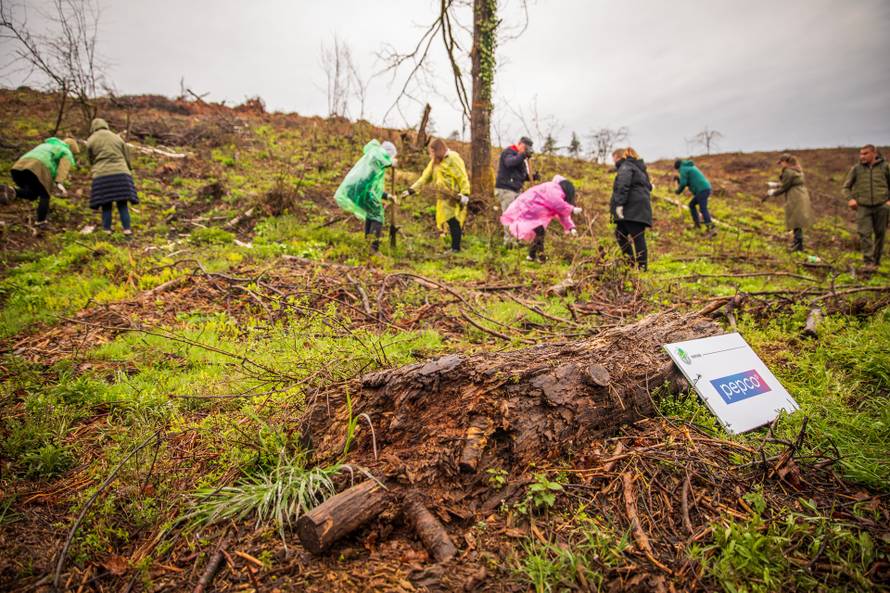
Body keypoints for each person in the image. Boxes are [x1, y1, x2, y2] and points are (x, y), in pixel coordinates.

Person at [401, 138, 471, 253]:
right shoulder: (435, 162)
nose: (431, 154)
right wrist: (411, 190)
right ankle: (454, 246)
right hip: (442, 196)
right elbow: (425, 178)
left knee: (453, 220)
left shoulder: (453, 158)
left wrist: (465, 193)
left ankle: (456, 248)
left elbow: (462, 176)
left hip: (453, 196)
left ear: (438, 150)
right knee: (449, 219)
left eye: (432, 151)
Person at [334, 139, 397, 253]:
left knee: (372, 213)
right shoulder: (376, 156)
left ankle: (368, 245)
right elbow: (380, 159)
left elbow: (374, 189)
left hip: (356, 189)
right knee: (377, 215)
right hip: (360, 190)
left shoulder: (372, 158)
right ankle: (373, 249)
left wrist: (387, 196)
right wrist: (390, 162)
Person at [500, 175, 581, 262]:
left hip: (533, 212)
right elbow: (557, 203)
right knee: (540, 233)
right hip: (529, 210)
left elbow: (562, 213)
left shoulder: (559, 194)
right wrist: (572, 209)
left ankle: (533, 256)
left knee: (540, 233)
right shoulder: (553, 189)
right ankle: (538, 256)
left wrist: (571, 227)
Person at [6, 136, 78, 227]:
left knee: (31, 194)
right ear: (71, 148)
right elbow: (63, 168)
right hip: (38, 167)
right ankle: (41, 221)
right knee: (45, 195)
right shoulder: (65, 151)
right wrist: (59, 182)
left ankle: (11, 190)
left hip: (19, 166)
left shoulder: (47, 144)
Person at [86, 118, 139, 235]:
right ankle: (127, 230)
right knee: (122, 204)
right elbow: (126, 155)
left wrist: (94, 168)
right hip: (121, 174)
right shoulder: (116, 137)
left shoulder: (91, 139)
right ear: (106, 125)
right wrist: (129, 168)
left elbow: (90, 158)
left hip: (102, 175)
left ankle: (106, 230)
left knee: (106, 204)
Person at [842, 144, 890, 268]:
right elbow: (846, 187)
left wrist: (888, 202)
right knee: (864, 233)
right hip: (863, 207)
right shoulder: (856, 169)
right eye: (861, 153)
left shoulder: (885, 167)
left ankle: (877, 261)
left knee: (880, 233)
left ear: (874, 153)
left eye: (865, 153)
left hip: (882, 206)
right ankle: (868, 262)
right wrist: (850, 199)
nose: (862, 156)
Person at [609, 147, 652, 270]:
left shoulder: (626, 166)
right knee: (620, 234)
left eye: (614, 159)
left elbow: (623, 185)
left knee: (636, 236)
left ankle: (641, 268)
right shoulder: (639, 168)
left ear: (618, 157)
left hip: (631, 207)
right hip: (639, 207)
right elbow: (648, 186)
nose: (614, 162)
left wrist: (619, 205)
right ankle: (631, 264)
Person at [765, 154, 813, 252]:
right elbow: (789, 183)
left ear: (786, 162)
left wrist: (773, 193)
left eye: (781, 163)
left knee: (795, 219)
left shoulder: (788, 171)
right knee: (797, 219)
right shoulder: (797, 170)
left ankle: (797, 245)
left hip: (794, 196)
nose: (781, 165)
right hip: (801, 194)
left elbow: (785, 187)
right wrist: (776, 185)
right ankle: (798, 244)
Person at [495, 136, 539, 242]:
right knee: (509, 216)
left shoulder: (520, 158)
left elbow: (520, 175)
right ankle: (509, 242)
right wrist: (523, 155)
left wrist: (532, 177)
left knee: (518, 216)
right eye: (524, 147)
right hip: (506, 190)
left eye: (527, 148)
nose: (525, 150)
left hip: (516, 190)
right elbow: (510, 163)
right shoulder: (509, 152)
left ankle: (516, 240)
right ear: (519, 144)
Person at [674, 158, 714, 234]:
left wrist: (678, 191)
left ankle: (711, 228)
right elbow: (687, 181)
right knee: (692, 205)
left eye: (677, 170)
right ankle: (697, 224)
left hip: (702, 190)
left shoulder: (683, 169)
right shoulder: (688, 167)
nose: (678, 171)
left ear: (678, 167)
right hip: (705, 189)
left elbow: (683, 184)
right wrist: (679, 180)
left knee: (703, 209)